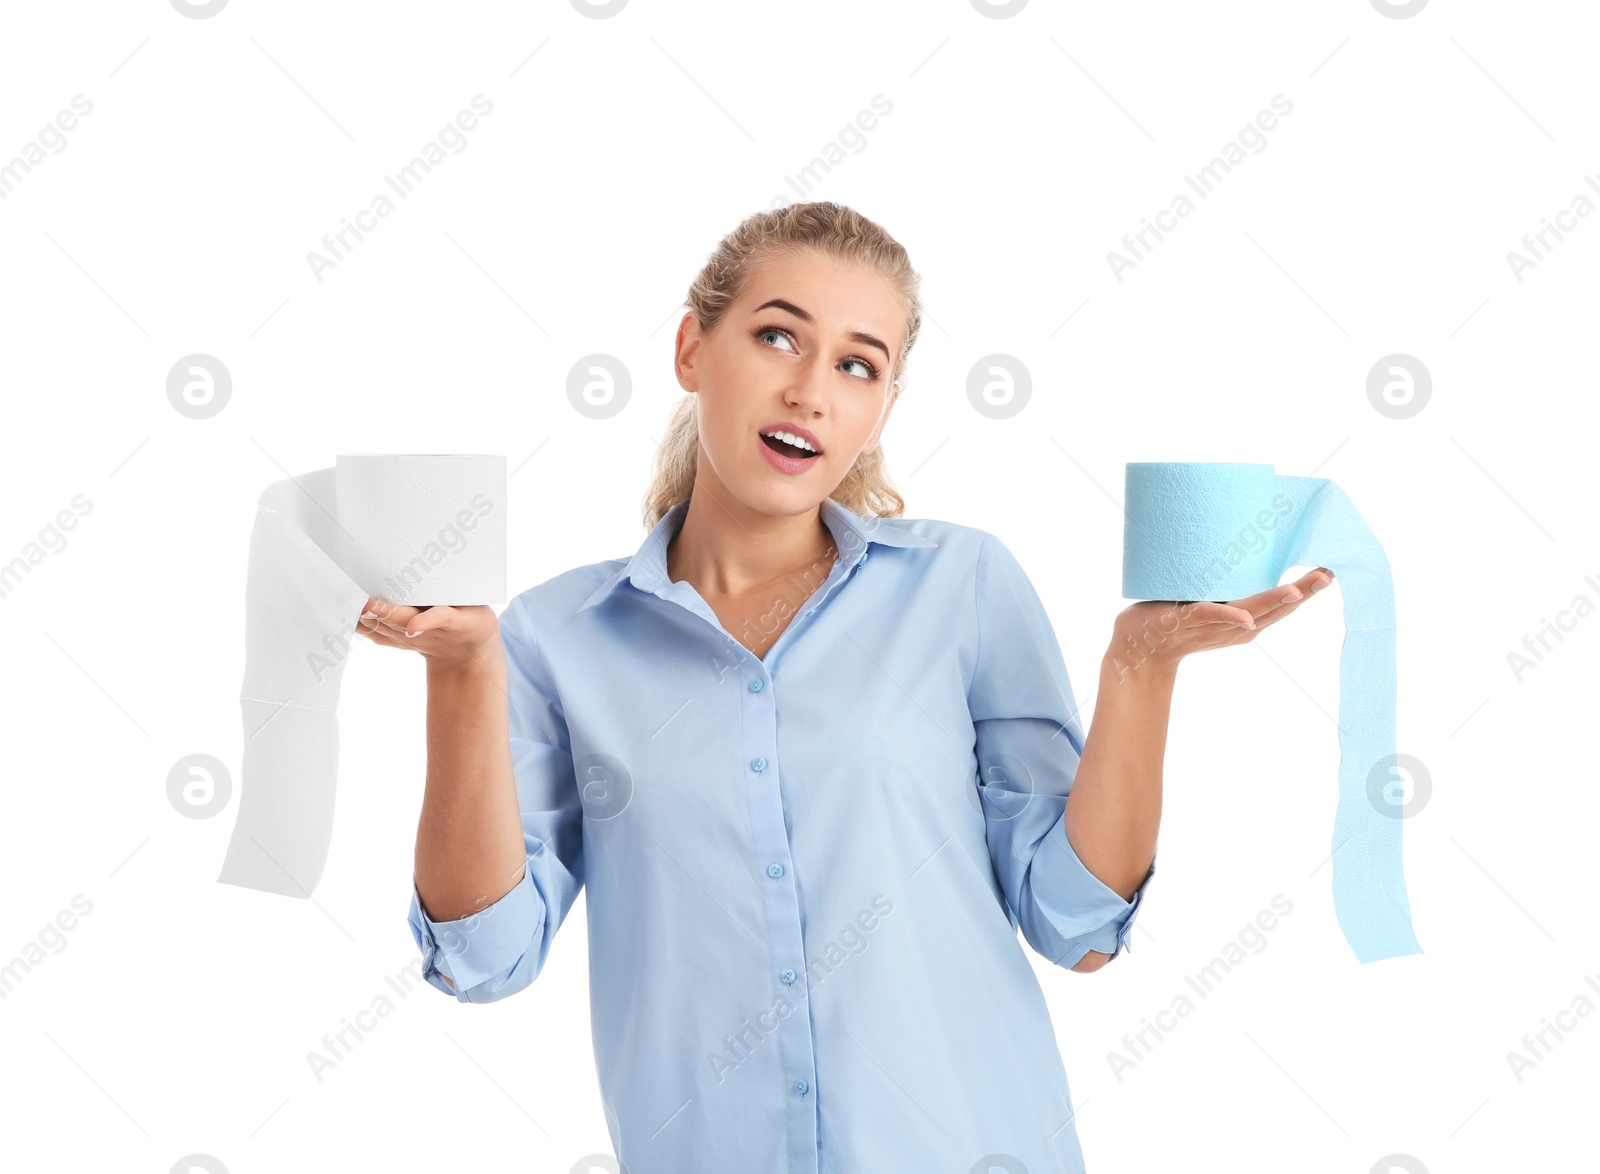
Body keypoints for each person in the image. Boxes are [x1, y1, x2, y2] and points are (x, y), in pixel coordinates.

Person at [356, 201, 1335, 1173]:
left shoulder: (964, 587)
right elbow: (483, 958)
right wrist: (459, 672)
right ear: (693, 348)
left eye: (856, 364)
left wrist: (1140, 667)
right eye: (778, 335)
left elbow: (1076, 928)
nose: (810, 391)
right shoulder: (554, 638)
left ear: (881, 413)